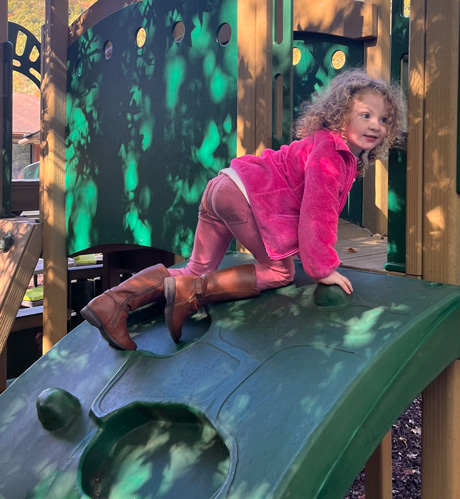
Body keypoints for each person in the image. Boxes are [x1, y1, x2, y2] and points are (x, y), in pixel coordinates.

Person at [81, 69, 405, 351]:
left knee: (196, 269)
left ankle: (113, 302)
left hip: (224, 186)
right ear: (340, 113)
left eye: (384, 119)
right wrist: (323, 268)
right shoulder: (330, 154)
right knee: (279, 272)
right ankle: (191, 293)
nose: (375, 125)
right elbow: (316, 214)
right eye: (366, 115)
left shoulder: (327, 146)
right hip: (245, 197)